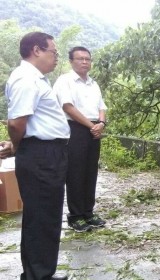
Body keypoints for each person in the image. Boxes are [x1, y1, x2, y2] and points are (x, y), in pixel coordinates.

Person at [5, 32, 76, 280]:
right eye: (54, 53)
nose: (56, 58)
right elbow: (16, 123)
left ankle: (36, 274)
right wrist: (15, 145)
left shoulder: (34, 79)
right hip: (41, 155)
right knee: (42, 219)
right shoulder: (26, 79)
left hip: (47, 153)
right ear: (37, 50)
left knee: (42, 216)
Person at [53, 46, 107, 232]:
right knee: (75, 172)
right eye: (80, 58)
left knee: (90, 171)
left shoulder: (93, 83)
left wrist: (101, 123)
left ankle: (88, 212)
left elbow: (102, 107)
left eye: (88, 59)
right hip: (75, 128)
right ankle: (76, 216)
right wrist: (91, 126)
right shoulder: (65, 81)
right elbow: (68, 107)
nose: (85, 62)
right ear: (71, 61)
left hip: (94, 129)